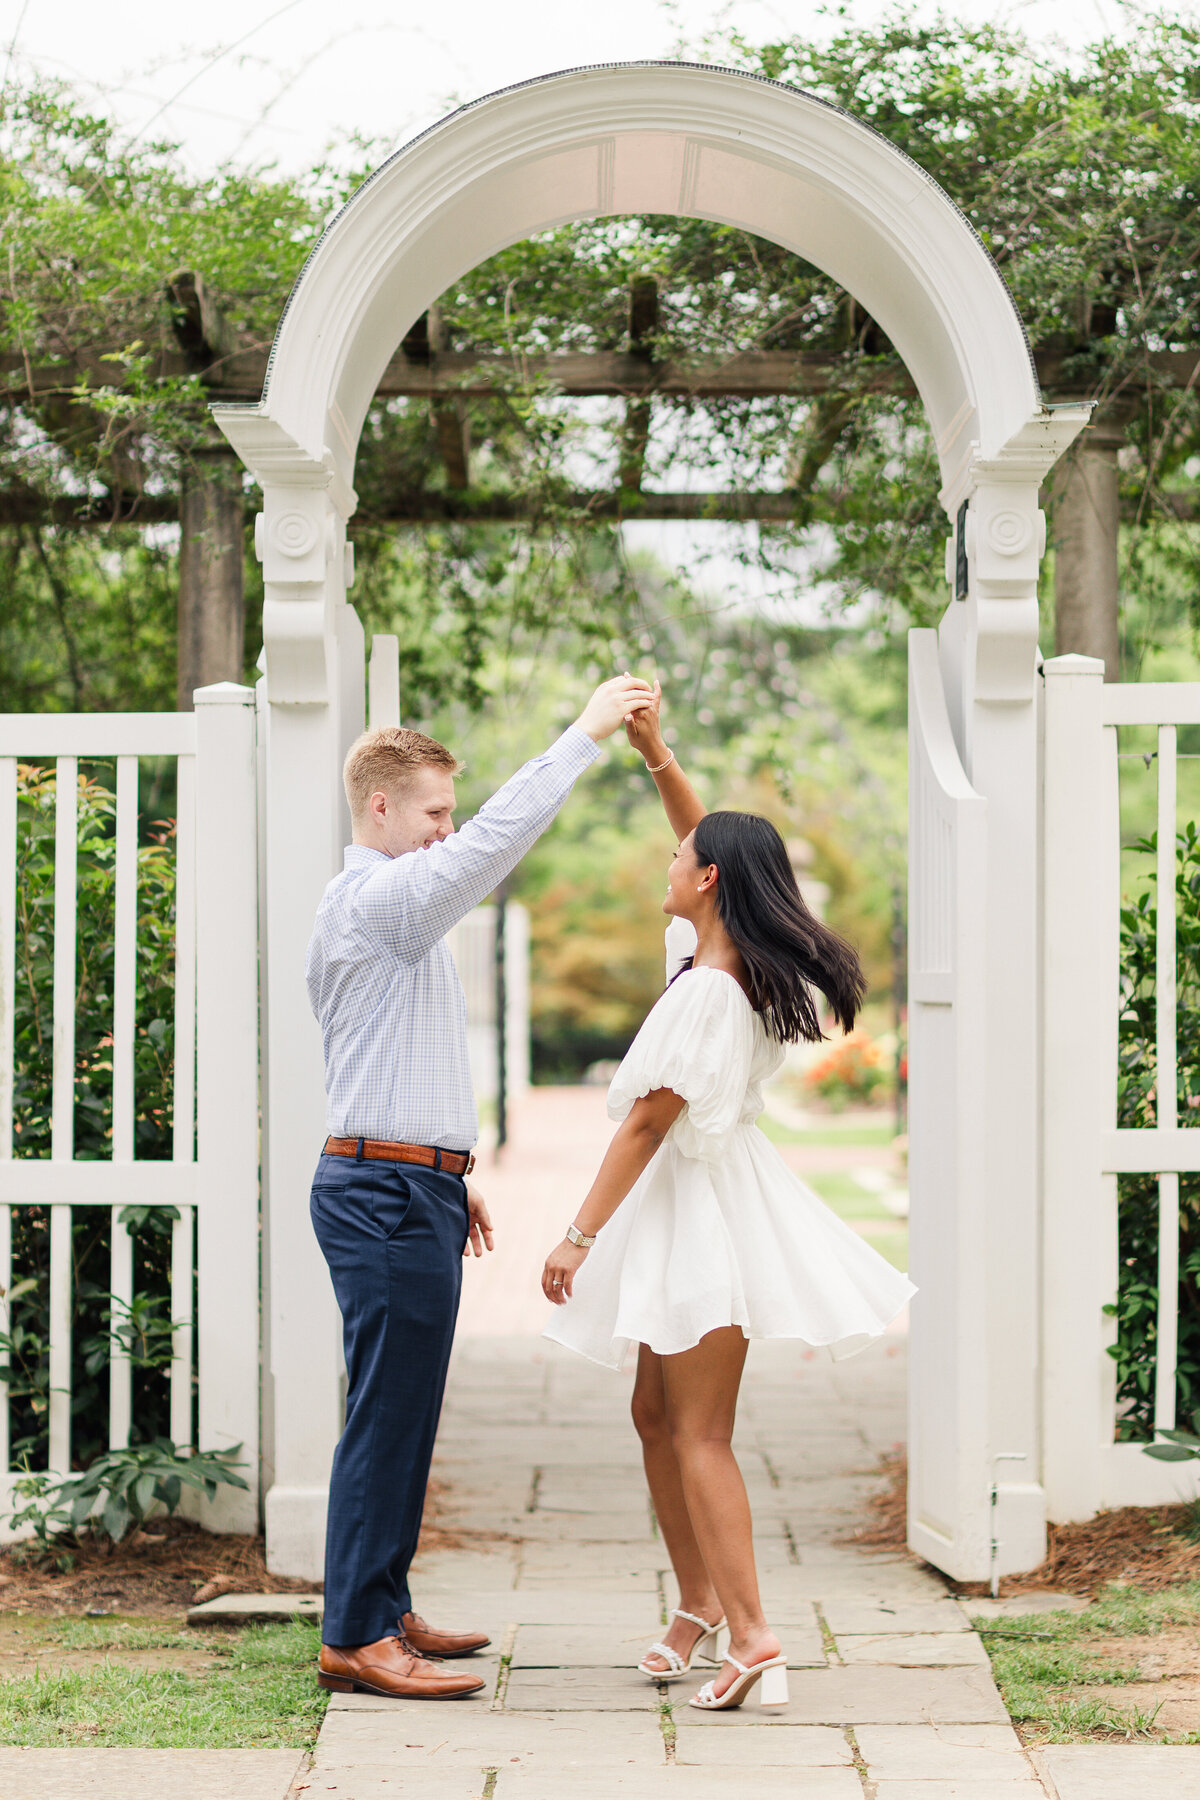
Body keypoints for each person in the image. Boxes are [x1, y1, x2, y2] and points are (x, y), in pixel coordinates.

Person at [541, 690, 915, 1714]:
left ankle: (755, 1639)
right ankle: (699, 1607)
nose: (666, 862)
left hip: (700, 1210)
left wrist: (577, 1235)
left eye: (678, 859)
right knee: (652, 1412)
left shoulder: (710, 991)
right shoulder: (715, 960)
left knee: (698, 1430)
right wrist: (658, 755)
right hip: (690, 1205)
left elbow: (646, 1126)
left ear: (706, 883)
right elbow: (708, 841)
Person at [307, 673, 654, 1702]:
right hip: (378, 1192)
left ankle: (382, 1603)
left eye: (447, 813)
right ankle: (356, 1637)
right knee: (385, 1412)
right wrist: (583, 737)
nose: (445, 831)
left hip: (408, 1186)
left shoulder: (391, 912)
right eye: (432, 812)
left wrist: (452, 1171)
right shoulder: (376, 897)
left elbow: (401, 1055)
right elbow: (494, 844)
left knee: (405, 1410)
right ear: (382, 806)